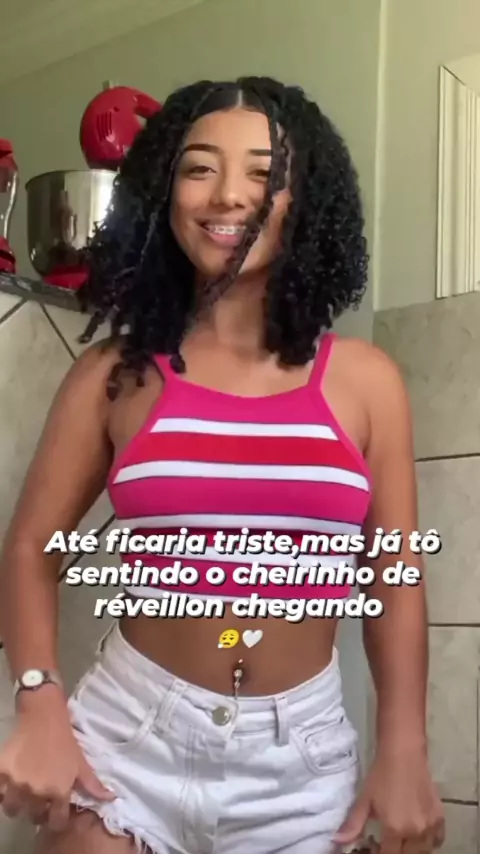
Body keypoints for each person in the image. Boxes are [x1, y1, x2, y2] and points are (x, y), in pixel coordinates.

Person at [0, 76, 444, 854]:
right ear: (162, 194)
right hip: (126, 746)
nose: (227, 194)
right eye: (199, 167)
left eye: (262, 172)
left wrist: (405, 749)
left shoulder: (367, 381)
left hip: (301, 769)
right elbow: (33, 547)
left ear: (304, 199)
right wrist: (37, 700)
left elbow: (394, 575)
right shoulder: (113, 373)